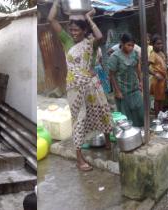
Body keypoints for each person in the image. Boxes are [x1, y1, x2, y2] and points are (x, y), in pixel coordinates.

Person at [48, 0, 112, 171]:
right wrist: (56, 2)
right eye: (72, 29)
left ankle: (107, 141)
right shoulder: (66, 40)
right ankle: (79, 158)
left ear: (84, 30)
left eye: (77, 29)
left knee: (102, 109)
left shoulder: (91, 43)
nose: (73, 32)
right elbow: (51, 19)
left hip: (92, 83)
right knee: (79, 119)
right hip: (74, 87)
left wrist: (88, 18)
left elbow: (100, 37)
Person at [107, 33, 144, 127]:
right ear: (122, 44)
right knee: (126, 116)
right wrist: (117, 91)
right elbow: (112, 75)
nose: (131, 48)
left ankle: (140, 132)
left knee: (140, 112)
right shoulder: (115, 57)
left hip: (135, 88)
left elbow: (137, 68)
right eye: (128, 45)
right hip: (123, 91)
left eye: (132, 45)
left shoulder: (135, 54)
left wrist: (141, 81)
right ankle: (129, 137)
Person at [148, 34, 167, 115]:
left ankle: (161, 116)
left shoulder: (161, 53)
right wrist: (155, 74)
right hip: (157, 80)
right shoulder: (153, 54)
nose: (160, 45)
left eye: (161, 43)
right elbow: (145, 67)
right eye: (157, 44)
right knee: (157, 100)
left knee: (162, 99)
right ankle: (157, 117)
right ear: (153, 45)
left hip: (164, 79)